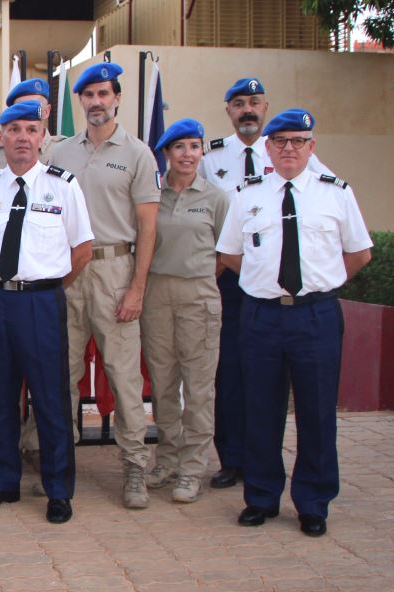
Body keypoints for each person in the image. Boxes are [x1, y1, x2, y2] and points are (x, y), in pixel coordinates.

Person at [216, 108, 372, 537]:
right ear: (267, 147)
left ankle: (313, 502)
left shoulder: (335, 193)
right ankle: (262, 497)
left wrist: (322, 282)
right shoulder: (248, 194)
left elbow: (359, 253)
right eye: (280, 141)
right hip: (262, 314)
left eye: (298, 141)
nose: (288, 148)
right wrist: (265, 283)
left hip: (315, 315)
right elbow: (230, 254)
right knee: (260, 409)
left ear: (311, 147)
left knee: (317, 411)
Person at [198, 77, 333, 490]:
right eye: (239, 103)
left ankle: (301, 480)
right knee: (233, 376)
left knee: (292, 391)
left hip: (286, 294)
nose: (248, 110)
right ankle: (233, 459)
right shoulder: (211, 158)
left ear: (266, 107)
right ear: (229, 111)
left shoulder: (296, 156)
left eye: (255, 102)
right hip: (233, 282)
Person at [0, 101, 93, 524]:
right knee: (0, 397)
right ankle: (3, 482)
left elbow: (82, 249)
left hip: (42, 301)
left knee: (50, 398)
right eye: (14, 129)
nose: (23, 137)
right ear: (1, 137)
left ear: (43, 138)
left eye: (31, 130)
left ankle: (59, 490)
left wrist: (48, 285)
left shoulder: (63, 185)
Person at [50, 62, 161, 509]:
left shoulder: (138, 153)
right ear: (80, 102)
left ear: (117, 98)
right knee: (61, 374)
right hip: (68, 271)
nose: (96, 102)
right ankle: (60, 464)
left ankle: (135, 469)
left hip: (116, 269)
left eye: (103, 94)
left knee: (123, 376)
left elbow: (148, 227)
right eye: (88, 95)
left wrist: (137, 289)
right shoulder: (60, 153)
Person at [138, 119, 228, 504]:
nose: (188, 154)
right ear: (167, 154)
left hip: (198, 295)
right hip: (157, 293)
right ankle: (168, 460)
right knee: (162, 384)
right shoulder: (153, 196)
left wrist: (199, 275)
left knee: (198, 387)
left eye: (194, 146)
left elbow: (227, 251)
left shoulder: (215, 197)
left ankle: (192, 468)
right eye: (180, 148)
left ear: (202, 151)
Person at [0, 78, 66, 171]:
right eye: (21, 108)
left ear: (47, 111)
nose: (27, 111)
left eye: (35, 106)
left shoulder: (65, 150)